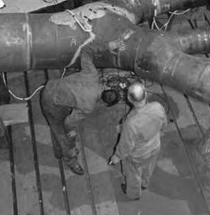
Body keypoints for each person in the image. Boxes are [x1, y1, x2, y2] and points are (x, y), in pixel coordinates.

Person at [40, 47, 101, 175]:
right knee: (64, 136)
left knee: (59, 127)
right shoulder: (89, 105)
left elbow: (86, 50)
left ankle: (59, 151)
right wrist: (70, 132)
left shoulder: (92, 74)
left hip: (53, 87)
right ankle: (70, 160)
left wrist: (109, 46)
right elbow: (68, 122)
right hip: (52, 103)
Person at [108, 80, 167, 200]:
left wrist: (116, 157)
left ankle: (133, 194)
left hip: (138, 155)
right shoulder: (157, 107)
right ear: (146, 94)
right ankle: (145, 183)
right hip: (155, 146)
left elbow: (126, 145)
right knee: (149, 165)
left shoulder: (131, 123)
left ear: (129, 99)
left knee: (134, 174)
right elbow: (164, 123)